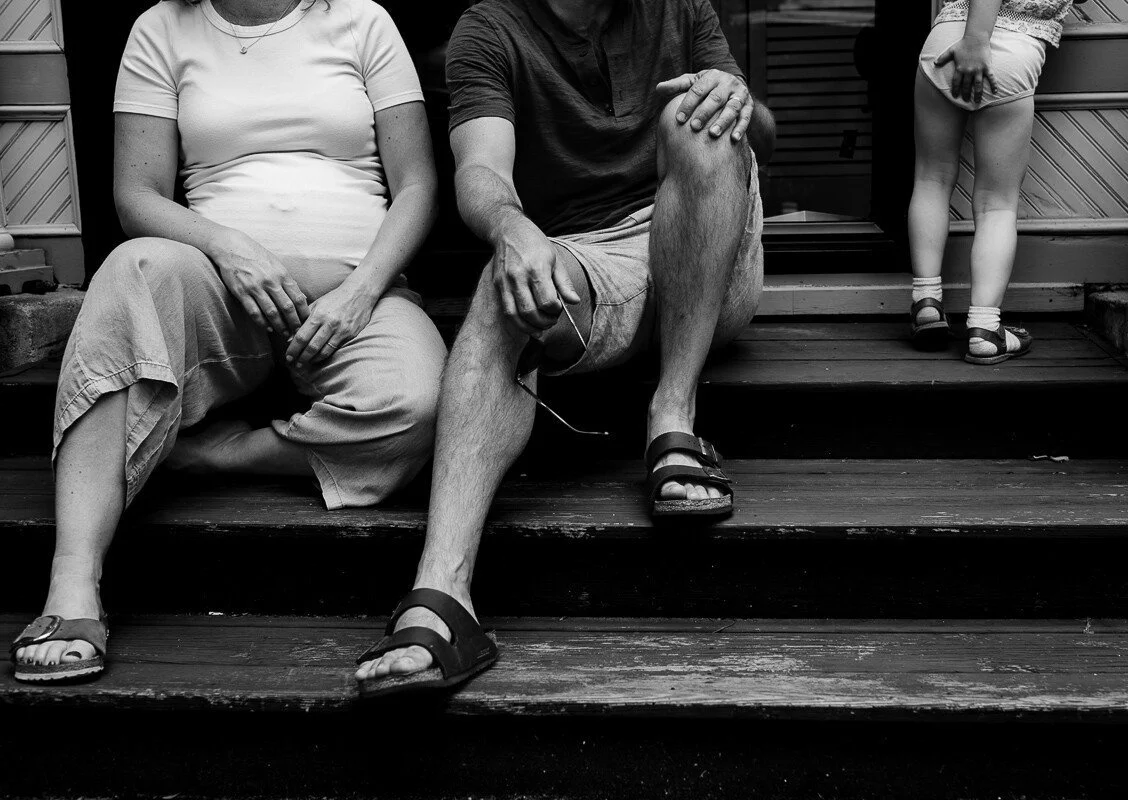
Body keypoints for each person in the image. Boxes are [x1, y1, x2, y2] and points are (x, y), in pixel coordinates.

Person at [10, 0, 445, 683]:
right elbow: (137, 195)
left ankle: (217, 455)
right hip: (218, 290)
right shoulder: (160, 28)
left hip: (356, 293)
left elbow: (418, 185)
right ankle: (72, 583)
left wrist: (360, 291)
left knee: (416, 404)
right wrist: (228, 247)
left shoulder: (362, 20)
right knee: (132, 267)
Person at [353, 0, 775, 696]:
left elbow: (761, 133)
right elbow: (480, 168)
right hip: (592, 263)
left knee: (697, 120)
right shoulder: (490, 28)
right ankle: (444, 591)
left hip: (712, 252)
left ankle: (673, 415)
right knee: (503, 284)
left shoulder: (681, 6)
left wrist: (740, 100)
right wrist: (513, 230)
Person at [908, 0, 1078, 363]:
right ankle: (985, 330)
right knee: (996, 204)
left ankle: (927, 303)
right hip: (1000, 47)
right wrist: (976, 39)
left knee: (931, 179)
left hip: (946, 40)